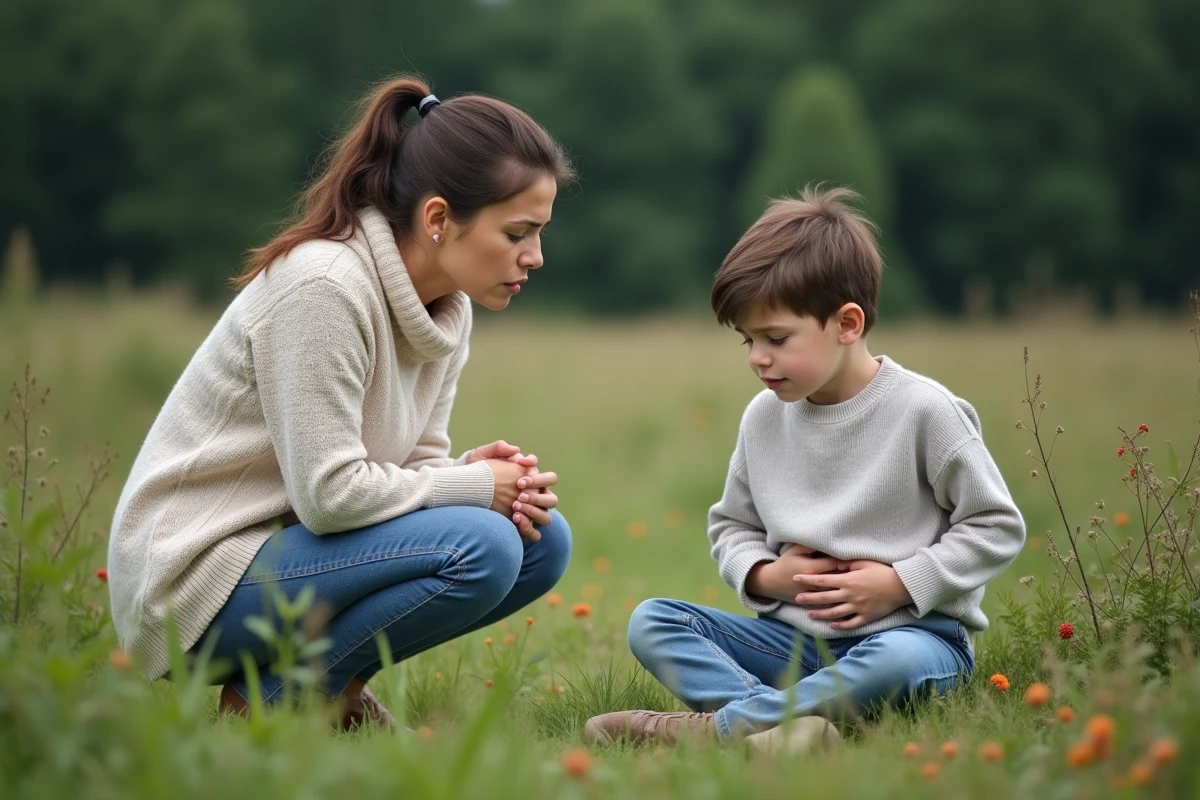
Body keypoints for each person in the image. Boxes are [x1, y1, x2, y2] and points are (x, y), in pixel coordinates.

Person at [106, 76, 576, 729]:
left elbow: (409, 471)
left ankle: (321, 689)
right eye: (518, 232)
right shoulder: (324, 288)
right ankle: (282, 698)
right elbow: (329, 495)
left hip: (291, 555)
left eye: (540, 232)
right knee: (487, 546)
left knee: (540, 539)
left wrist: (471, 478)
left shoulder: (447, 308)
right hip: (194, 579)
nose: (536, 256)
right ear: (439, 219)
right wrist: (471, 489)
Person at [584, 186, 1025, 753]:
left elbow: (996, 526)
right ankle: (789, 729)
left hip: (913, 639)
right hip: (791, 644)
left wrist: (899, 584)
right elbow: (732, 525)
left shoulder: (925, 411)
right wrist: (767, 577)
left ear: (847, 323)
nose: (757, 358)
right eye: (747, 340)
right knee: (653, 621)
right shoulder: (764, 417)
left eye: (775, 338)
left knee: (892, 661)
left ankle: (720, 729)